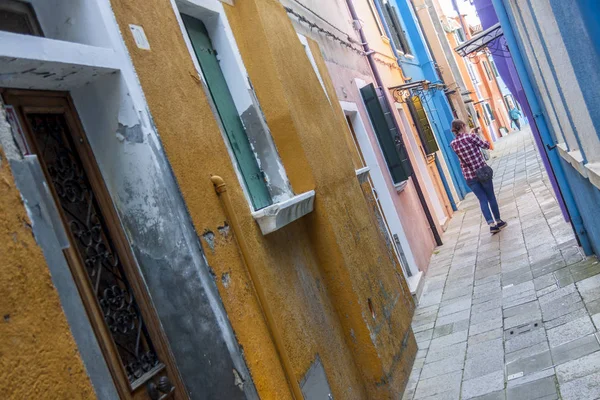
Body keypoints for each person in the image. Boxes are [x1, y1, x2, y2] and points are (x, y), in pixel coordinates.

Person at [450, 119, 507, 234]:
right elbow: (486, 145)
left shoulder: (453, 144)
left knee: (482, 200)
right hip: (482, 172)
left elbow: (464, 146)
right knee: (491, 197)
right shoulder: (472, 137)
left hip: (469, 176)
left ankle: (491, 225)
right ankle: (498, 221)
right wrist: (479, 133)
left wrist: (471, 133)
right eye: (464, 125)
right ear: (462, 125)